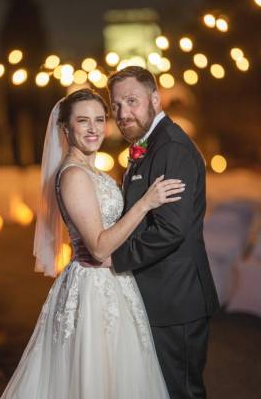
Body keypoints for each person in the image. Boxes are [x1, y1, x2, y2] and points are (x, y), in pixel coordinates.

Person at [0, 88, 185, 399]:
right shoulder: (73, 175)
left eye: (99, 120)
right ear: (65, 129)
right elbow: (99, 247)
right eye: (83, 121)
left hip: (116, 282)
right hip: (93, 289)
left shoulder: (93, 171)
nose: (94, 128)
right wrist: (146, 203)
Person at [107, 66, 220, 399]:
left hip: (175, 299)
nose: (123, 113)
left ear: (155, 99)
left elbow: (171, 229)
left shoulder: (172, 148)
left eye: (132, 101)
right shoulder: (150, 144)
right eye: (116, 105)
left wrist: (114, 258)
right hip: (157, 297)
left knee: (181, 392)